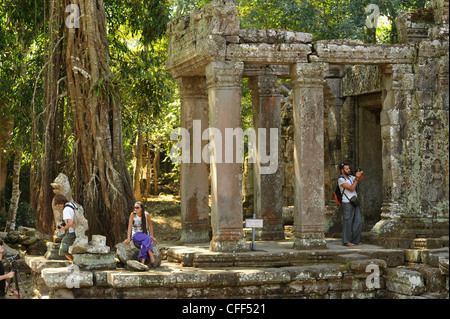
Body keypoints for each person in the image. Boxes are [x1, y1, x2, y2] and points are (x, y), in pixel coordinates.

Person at [338, 163, 364, 247]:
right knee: (347, 221)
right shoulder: (341, 180)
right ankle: (346, 241)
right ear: (342, 170)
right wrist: (356, 178)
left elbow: (361, 180)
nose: (349, 170)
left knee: (358, 221)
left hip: (354, 202)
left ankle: (356, 240)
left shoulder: (350, 177)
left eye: (349, 168)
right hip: (347, 202)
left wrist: (360, 174)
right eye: (347, 169)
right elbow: (352, 188)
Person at [54, 194, 76, 263]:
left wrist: (64, 228)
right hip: (78, 229)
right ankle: (75, 262)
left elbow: (69, 223)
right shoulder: (72, 204)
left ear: (60, 203)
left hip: (72, 231)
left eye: (58, 205)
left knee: (63, 249)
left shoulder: (66, 209)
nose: (59, 207)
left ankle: (74, 263)